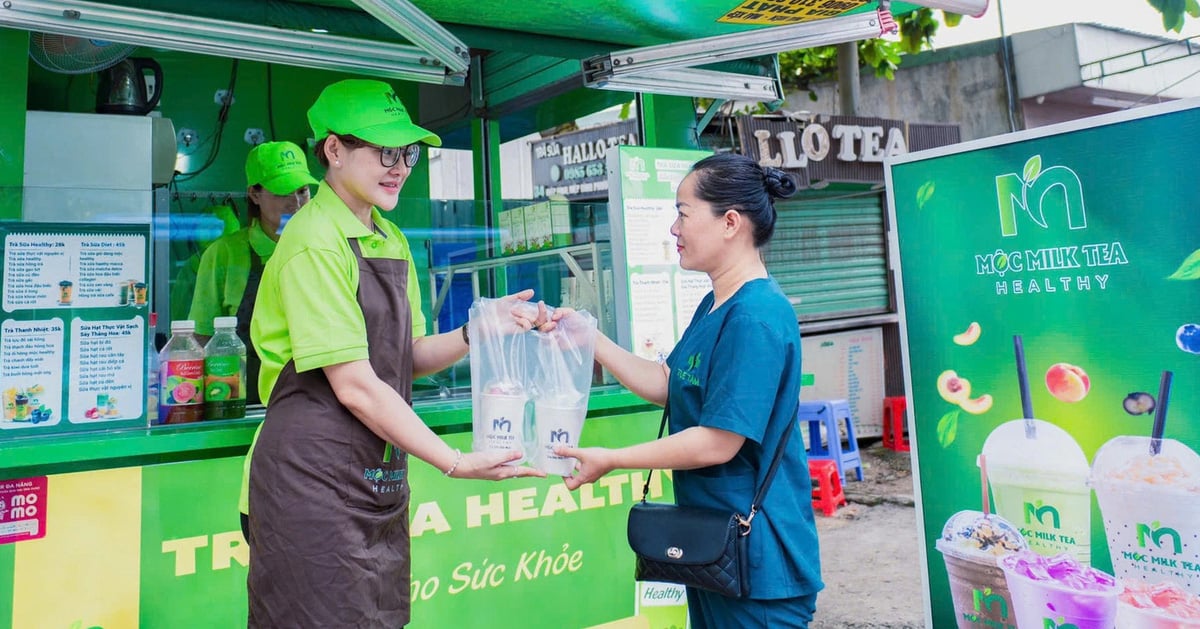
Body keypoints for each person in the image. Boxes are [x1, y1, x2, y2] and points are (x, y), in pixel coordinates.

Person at [243, 79, 545, 627]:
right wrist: (454, 461)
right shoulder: (314, 241)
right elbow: (355, 383)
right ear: (334, 150)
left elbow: (405, 354)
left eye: (407, 152)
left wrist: (480, 329)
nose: (400, 167)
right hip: (308, 478)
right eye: (385, 151)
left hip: (371, 474)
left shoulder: (390, 237)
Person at [547, 153, 824, 627]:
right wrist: (589, 339)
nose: (674, 229)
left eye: (683, 212)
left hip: (757, 559)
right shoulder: (716, 304)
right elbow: (672, 385)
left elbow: (718, 441)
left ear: (730, 222)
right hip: (714, 550)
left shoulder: (755, 316)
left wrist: (612, 459)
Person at [188, 140, 318, 406]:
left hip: (318, 405)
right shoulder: (224, 254)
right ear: (254, 194)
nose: (296, 203)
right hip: (246, 407)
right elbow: (200, 338)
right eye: (283, 193)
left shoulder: (324, 249)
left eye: (303, 191)